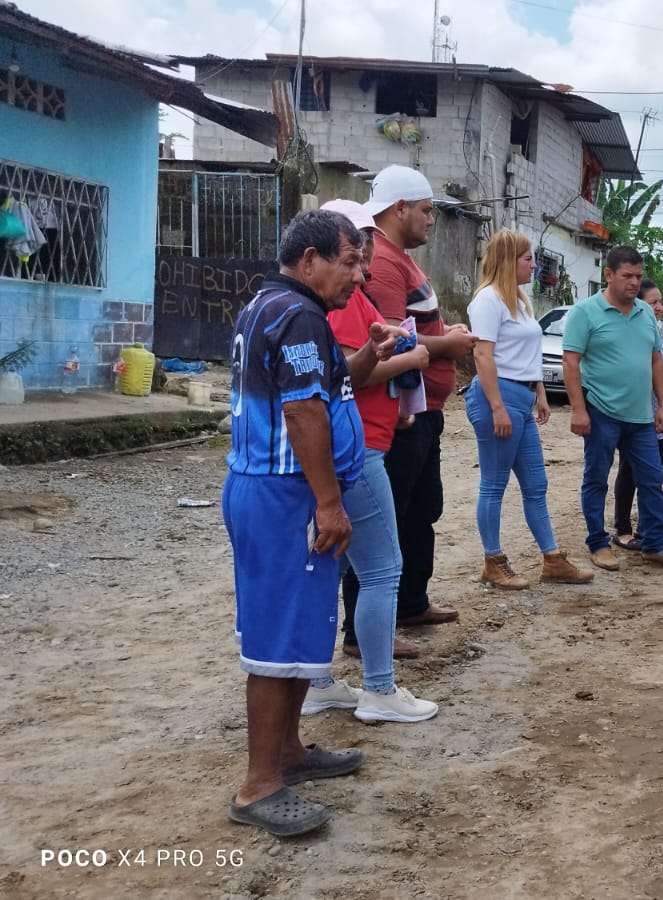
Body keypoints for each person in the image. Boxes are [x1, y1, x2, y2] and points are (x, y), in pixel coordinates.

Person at [222, 209, 402, 836]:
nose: (359, 276)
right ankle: (258, 785)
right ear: (309, 261)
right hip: (284, 498)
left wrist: (370, 355)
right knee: (277, 641)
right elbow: (303, 414)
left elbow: (331, 387)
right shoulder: (297, 315)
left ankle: (289, 753)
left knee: (300, 631)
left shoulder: (278, 307)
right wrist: (328, 502)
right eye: (350, 262)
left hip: (280, 494)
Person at [306, 199, 438, 725]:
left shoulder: (347, 298)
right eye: (355, 253)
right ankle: (379, 688)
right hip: (357, 452)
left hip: (360, 441)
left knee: (332, 566)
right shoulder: (336, 304)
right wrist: (410, 357)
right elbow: (344, 374)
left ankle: (316, 680)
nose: (364, 264)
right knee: (383, 568)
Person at [344, 165, 477, 638]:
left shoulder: (399, 259)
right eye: (425, 210)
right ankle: (364, 630)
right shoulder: (382, 263)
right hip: (401, 416)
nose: (432, 219)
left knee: (421, 511)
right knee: (387, 520)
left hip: (422, 412)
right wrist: (447, 344)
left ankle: (410, 604)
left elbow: (412, 329)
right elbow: (390, 341)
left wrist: (442, 334)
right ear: (399, 208)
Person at [464, 230, 593, 588]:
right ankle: (493, 561)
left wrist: (539, 391)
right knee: (494, 484)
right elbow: (482, 355)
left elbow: (525, 353)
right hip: (498, 395)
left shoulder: (519, 302)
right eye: (527, 259)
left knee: (536, 483)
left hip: (520, 396)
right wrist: (497, 407)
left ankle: (552, 559)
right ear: (508, 261)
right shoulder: (488, 300)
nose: (534, 265)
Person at [563, 245, 663, 571]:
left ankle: (654, 545)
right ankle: (598, 543)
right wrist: (578, 409)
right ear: (609, 274)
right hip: (600, 411)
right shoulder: (585, 312)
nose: (634, 282)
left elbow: (656, 360)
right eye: (627, 276)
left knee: (651, 479)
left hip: (641, 415)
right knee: (597, 479)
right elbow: (571, 361)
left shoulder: (645, 312)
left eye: (638, 276)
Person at [613, 278, 663, 550]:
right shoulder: (633, 329)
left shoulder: (659, 328)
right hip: (640, 409)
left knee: (657, 468)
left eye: (660, 301)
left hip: (660, 409)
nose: (658, 306)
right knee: (630, 469)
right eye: (653, 302)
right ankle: (622, 528)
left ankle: (649, 526)